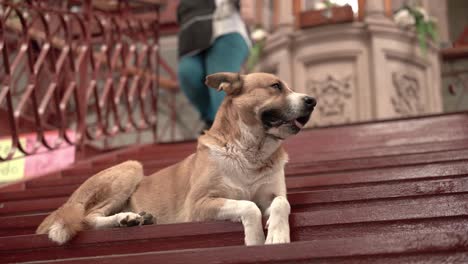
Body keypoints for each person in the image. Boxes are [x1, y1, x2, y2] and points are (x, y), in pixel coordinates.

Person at [177, 0, 251, 130]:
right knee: (187, 73)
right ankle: (214, 119)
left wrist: (247, 5)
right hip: (192, 34)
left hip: (226, 29)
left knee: (219, 87)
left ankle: (224, 126)